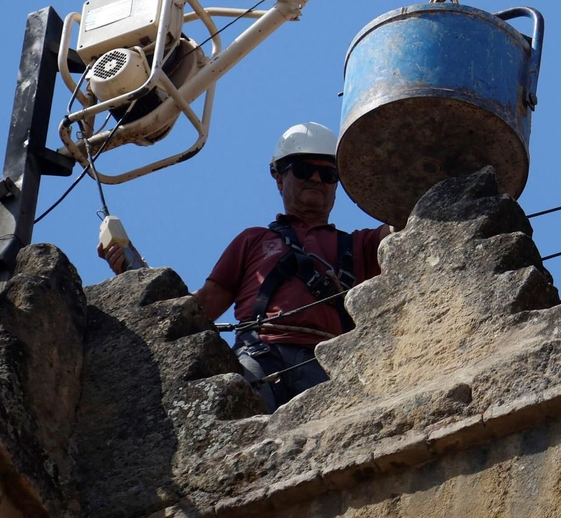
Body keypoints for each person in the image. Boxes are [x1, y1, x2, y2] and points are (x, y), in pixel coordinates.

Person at [99, 122, 389, 411]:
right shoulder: (253, 240)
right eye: (302, 169)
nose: (315, 178)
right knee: (243, 424)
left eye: (328, 174)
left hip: (327, 360)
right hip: (260, 357)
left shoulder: (357, 245)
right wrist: (135, 271)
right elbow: (200, 309)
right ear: (278, 178)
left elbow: (405, 222)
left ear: (338, 184)